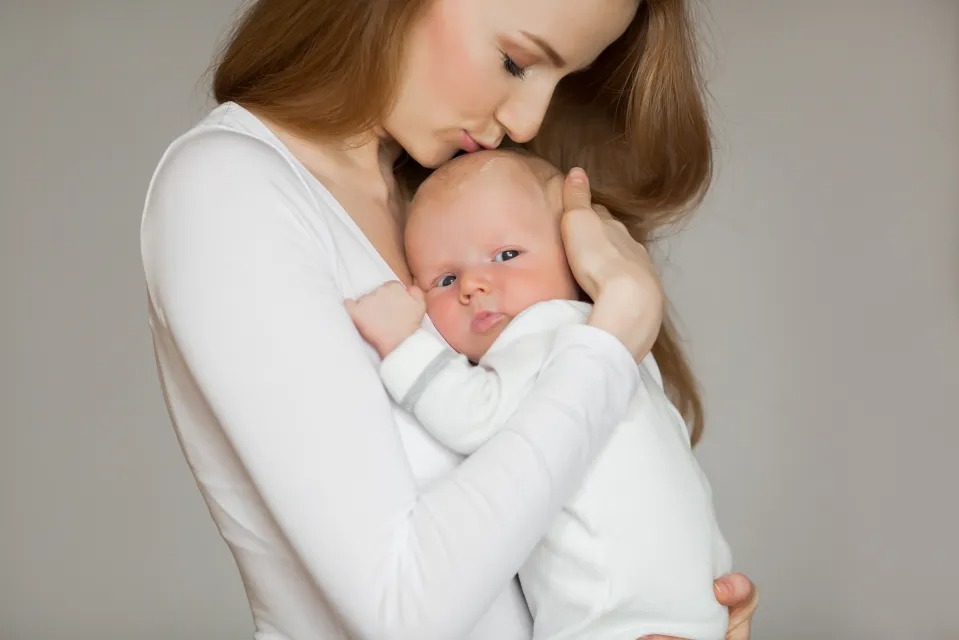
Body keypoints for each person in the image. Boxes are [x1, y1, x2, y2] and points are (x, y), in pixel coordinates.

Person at [139, 0, 759, 638]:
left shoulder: (438, 213)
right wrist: (613, 340)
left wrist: (666, 608)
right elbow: (403, 612)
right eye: (515, 61)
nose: (526, 121)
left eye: (561, 80)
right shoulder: (231, 190)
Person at [347, 149, 733, 640]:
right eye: (445, 279)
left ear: (575, 253)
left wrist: (402, 344)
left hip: (617, 618)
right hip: (690, 607)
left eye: (506, 255)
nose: (473, 285)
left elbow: (473, 414)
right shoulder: (618, 344)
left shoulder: (542, 332)